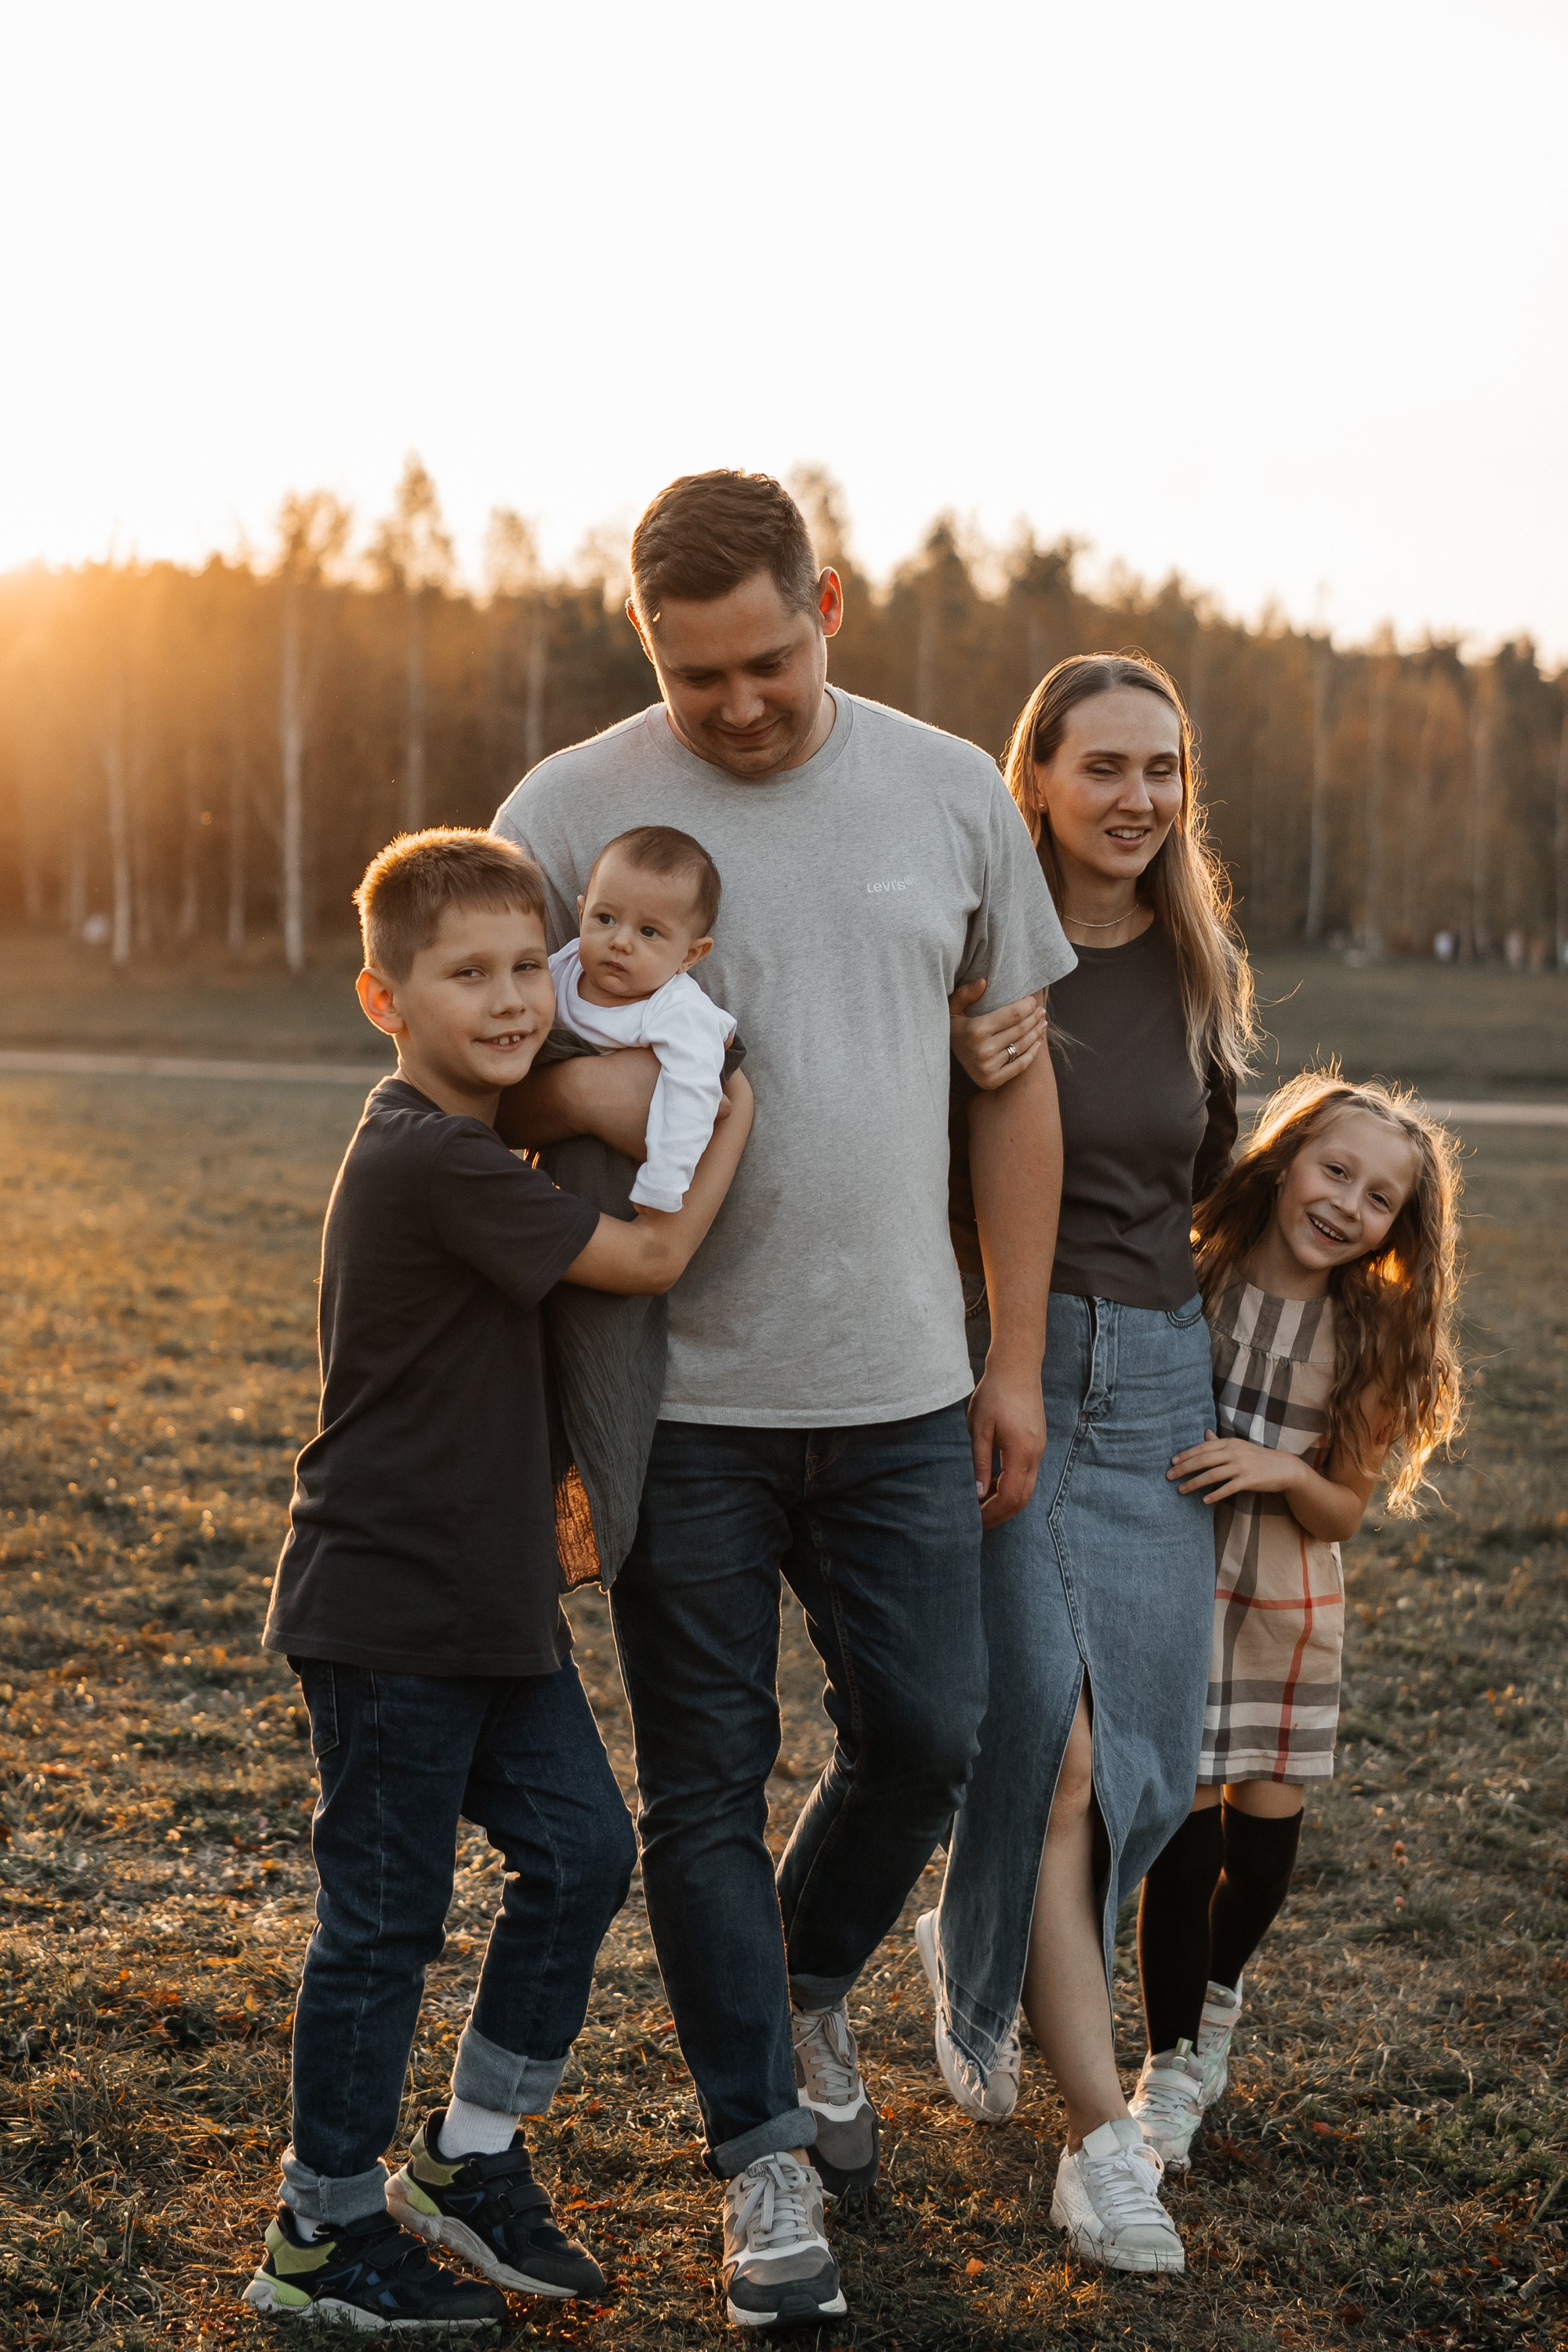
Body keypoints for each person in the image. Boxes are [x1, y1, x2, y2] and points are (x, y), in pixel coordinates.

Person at [492, 470, 1073, 2331]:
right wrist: (578, 1105)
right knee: (701, 1791)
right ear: (640, 645)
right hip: (669, 1402)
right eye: (690, 676)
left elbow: (1012, 1078)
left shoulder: (947, 793)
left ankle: (812, 1975)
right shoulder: (563, 812)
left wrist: (1005, 1359)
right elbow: (468, 1055)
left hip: (903, 1379)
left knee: (927, 1728)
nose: (733, 705)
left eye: (764, 658)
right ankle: (756, 2154)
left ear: (824, 596)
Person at [246, 829, 753, 2331]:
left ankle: (470, 2158)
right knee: (384, 1923)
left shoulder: (476, 1147)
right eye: (468, 974)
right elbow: (652, 1264)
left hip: (487, 1608)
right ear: (383, 1000)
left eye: (531, 963)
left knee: (587, 1854)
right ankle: (320, 2230)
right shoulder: (429, 1156)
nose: (515, 996)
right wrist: (719, 1113)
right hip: (388, 1607)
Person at [919, 652, 1254, 2278]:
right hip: (1008, 1378)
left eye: (1163, 770)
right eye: (1104, 766)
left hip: (1160, 1400)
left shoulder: (1198, 977)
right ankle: (1102, 2144)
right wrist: (946, 1073)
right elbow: (883, 1168)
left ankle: (971, 1943)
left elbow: (1218, 1199)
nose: (1137, 799)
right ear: (1033, 777)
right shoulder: (977, 960)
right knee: (1049, 1755)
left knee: (1128, 1773)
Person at [1131, 1073, 1462, 2167]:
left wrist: (1281, 1467)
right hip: (1178, 1582)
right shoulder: (1196, 1272)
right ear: (1283, 1159)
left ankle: (1220, 1993)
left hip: (1284, 1603)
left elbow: (1344, 1511)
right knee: (1179, 1845)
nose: (1346, 1205)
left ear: (1396, 1227)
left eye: (1377, 1198)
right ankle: (1169, 2066)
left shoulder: (1368, 1336)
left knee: (1260, 1854)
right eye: (1335, 1170)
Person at [549, 823, 735, 1212]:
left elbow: (693, 1096)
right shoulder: (561, 968)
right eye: (605, 919)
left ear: (689, 956)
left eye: (648, 931)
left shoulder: (679, 1011)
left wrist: (663, 1183)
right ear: (581, 913)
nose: (620, 941)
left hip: (631, 1171)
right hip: (552, 1148)